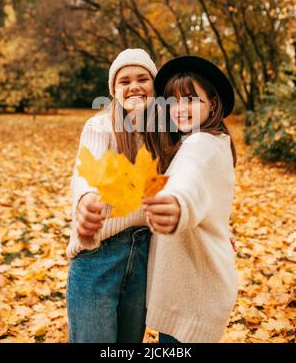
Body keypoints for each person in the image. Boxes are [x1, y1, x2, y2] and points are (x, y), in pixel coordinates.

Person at [143, 55, 239, 343]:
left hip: (191, 302)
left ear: (212, 103)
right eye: (172, 101)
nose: (180, 109)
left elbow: (188, 182)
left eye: (191, 100)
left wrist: (175, 204)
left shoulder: (199, 144)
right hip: (195, 292)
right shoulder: (213, 140)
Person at [66, 48, 157, 343]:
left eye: (142, 78)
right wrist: (86, 200)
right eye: (124, 81)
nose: (134, 86)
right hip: (98, 257)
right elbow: (87, 171)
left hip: (142, 256)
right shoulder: (100, 126)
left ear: (155, 85)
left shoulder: (164, 135)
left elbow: (188, 180)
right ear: (114, 90)